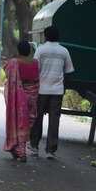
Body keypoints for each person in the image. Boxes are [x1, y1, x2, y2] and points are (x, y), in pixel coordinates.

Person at [30, 26, 74, 159]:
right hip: (57, 91)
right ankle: (50, 150)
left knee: (38, 118)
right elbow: (68, 71)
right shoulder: (64, 51)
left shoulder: (40, 50)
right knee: (54, 120)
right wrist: (63, 87)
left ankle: (34, 147)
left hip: (42, 90)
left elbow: (35, 69)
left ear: (45, 36)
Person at [4, 41, 40, 162]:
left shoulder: (14, 62)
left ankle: (21, 151)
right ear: (30, 51)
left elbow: (7, 73)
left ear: (18, 51)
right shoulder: (35, 63)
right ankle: (19, 149)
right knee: (27, 124)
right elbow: (36, 79)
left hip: (19, 98)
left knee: (19, 123)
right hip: (32, 97)